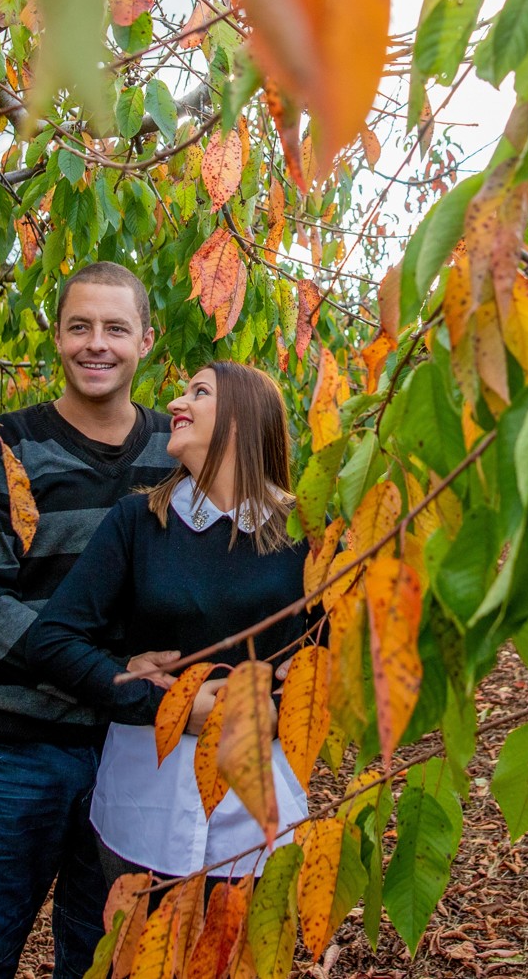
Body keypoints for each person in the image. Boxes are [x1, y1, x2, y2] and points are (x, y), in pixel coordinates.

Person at [0, 262, 180, 979]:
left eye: (114, 327)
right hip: (21, 748)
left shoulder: (179, 452)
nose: (95, 344)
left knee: (102, 958)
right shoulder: (2, 447)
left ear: (145, 339)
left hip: (134, 755)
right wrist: (112, 679)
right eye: (79, 326)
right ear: (56, 337)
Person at [29, 361, 314, 879]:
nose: (176, 404)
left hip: (261, 814)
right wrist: (167, 706)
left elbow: (344, 659)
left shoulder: (306, 532)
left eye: (198, 392)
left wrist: (281, 706)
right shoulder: (138, 521)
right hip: (146, 805)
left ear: (241, 418)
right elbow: (53, 640)